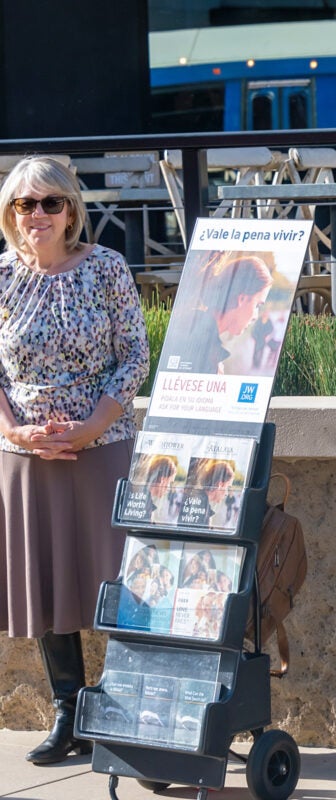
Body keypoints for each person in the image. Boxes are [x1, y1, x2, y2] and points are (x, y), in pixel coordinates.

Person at [0, 156, 149, 765]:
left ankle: (121, 711)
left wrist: (92, 427)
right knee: (48, 587)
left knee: (117, 584)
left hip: (101, 449)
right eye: (23, 205)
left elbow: (134, 356)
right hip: (26, 455)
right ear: (11, 214)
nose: (37, 214)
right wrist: (19, 431)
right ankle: (71, 712)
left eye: (49, 203)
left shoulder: (107, 268)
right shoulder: (1, 276)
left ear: (71, 210)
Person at [162, 252, 274, 374]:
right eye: (258, 305)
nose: (255, 316)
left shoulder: (194, 326)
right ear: (241, 299)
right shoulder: (203, 349)